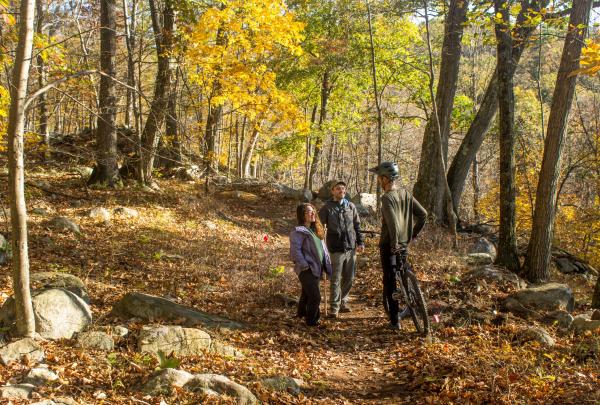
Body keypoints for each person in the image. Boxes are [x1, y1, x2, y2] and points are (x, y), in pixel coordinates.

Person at [368, 162, 427, 330]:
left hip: (389, 244)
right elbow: (423, 215)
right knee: (403, 272)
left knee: (390, 280)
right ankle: (410, 303)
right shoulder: (406, 194)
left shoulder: (387, 198)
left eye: (380, 178)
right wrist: (412, 235)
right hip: (404, 243)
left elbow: (392, 223)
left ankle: (395, 321)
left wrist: (393, 243)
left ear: (386, 179)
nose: (379, 181)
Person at [318, 181, 364, 318]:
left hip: (350, 248)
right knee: (336, 279)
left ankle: (343, 301)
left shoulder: (351, 206)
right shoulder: (327, 208)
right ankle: (334, 307)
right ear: (332, 191)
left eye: (343, 188)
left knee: (349, 278)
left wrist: (360, 242)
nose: (341, 191)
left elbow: (357, 226)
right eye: (338, 189)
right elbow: (319, 228)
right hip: (335, 249)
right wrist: (321, 243)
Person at [289, 203, 333, 326]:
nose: (313, 213)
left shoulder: (315, 231)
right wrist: (305, 265)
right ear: (302, 215)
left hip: (316, 269)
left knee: (307, 294)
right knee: (315, 296)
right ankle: (312, 321)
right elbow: (295, 251)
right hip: (306, 269)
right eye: (309, 211)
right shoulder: (298, 231)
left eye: (313, 211)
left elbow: (323, 251)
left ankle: (301, 315)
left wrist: (327, 266)